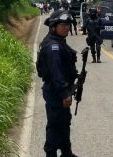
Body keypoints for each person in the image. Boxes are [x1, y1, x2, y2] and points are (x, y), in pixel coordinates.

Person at [36, 10, 79, 157]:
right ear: (53, 26)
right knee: (55, 125)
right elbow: (56, 73)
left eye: (68, 25)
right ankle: (51, 153)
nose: (67, 27)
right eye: (63, 25)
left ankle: (66, 152)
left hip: (60, 89)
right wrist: (64, 94)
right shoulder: (53, 46)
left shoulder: (59, 41)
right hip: (56, 91)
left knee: (64, 121)